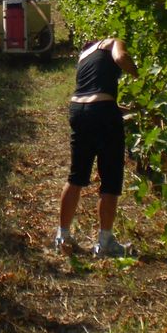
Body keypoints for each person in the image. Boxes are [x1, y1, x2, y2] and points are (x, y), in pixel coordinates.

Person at [55, 37, 139, 258]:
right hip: (101, 111)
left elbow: (93, 96)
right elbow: (121, 57)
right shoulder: (112, 42)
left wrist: (119, 109)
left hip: (78, 110)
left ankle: (62, 236)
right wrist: (140, 77)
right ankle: (105, 242)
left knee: (76, 176)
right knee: (110, 180)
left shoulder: (83, 57)